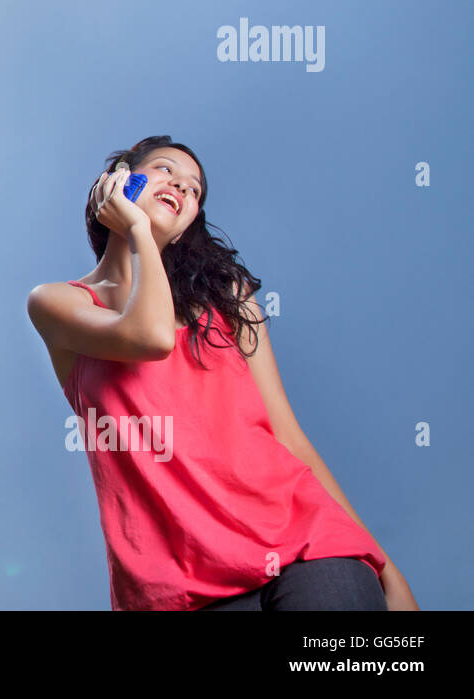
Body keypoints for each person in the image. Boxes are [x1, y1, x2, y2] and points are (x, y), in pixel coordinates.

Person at [26, 135, 419, 611]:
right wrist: (137, 233)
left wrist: (383, 564)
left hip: (308, 546)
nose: (182, 187)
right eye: (166, 169)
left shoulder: (226, 298)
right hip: (176, 585)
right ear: (116, 181)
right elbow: (150, 336)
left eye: (194, 190)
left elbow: (286, 434)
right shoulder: (58, 302)